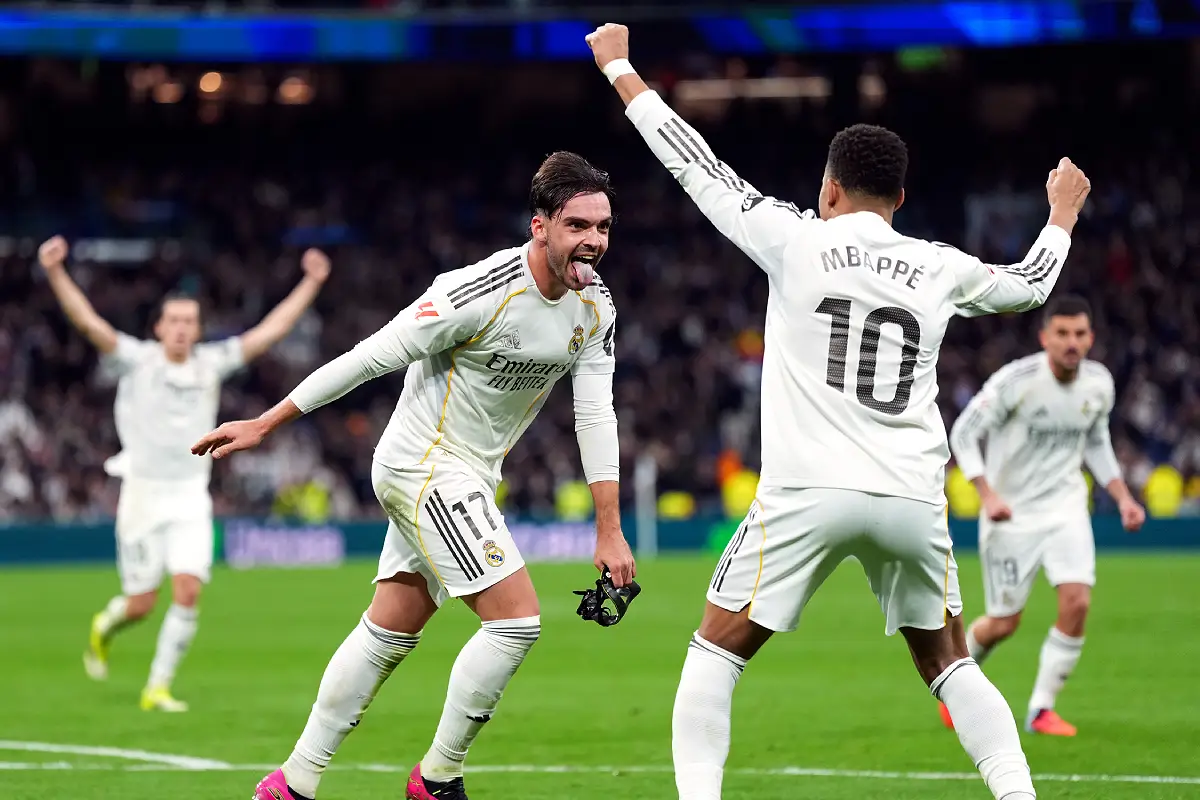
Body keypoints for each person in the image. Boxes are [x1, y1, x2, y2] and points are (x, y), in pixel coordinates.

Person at [585, 22, 1091, 800]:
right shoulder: (939, 265)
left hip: (805, 493)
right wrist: (1060, 215)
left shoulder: (794, 237)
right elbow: (1029, 284)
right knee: (950, 663)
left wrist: (621, 67)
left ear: (828, 189)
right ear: (899, 199)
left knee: (714, 656)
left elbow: (696, 164)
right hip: (909, 496)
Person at [190, 152, 636, 800]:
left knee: (388, 629)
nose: (594, 241)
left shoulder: (594, 306)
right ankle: (438, 778)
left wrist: (610, 529)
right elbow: (370, 355)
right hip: (423, 466)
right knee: (516, 623)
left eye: (603, 226)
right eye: (578, 225)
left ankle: (293, 782)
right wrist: (267, 422)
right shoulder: (475, 292)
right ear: (540, 226)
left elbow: (595, 411)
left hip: (470, 475)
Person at [36, 235, 331, 711]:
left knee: (188, 589)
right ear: (158, 327)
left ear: (197, 330)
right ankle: (106, 625)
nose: (180, 328)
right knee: (140, 604)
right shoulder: (136, 360)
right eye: (173, 320)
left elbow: (270, 331)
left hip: (191, 495)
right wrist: (54, 271)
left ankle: (157, 687)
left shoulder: (212, 364)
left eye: (189, 322)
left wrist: (312, 281)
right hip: (142, 495)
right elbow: (88, 323)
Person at [945, 294, 1145, 737]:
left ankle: (1040, 710)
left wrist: (1123, 496)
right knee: (1003, 623)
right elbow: (963, 432)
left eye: (1079, 334)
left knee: (1077, 601)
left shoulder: (1099, 385)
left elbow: (1096, 442)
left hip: (1067, 509)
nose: (1071, 342)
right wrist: (987, 494)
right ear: (1045, 338)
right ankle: (954, 685)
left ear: (1090, 338)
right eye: (1062, 334)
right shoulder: (1015, 382)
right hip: (1011, 516)